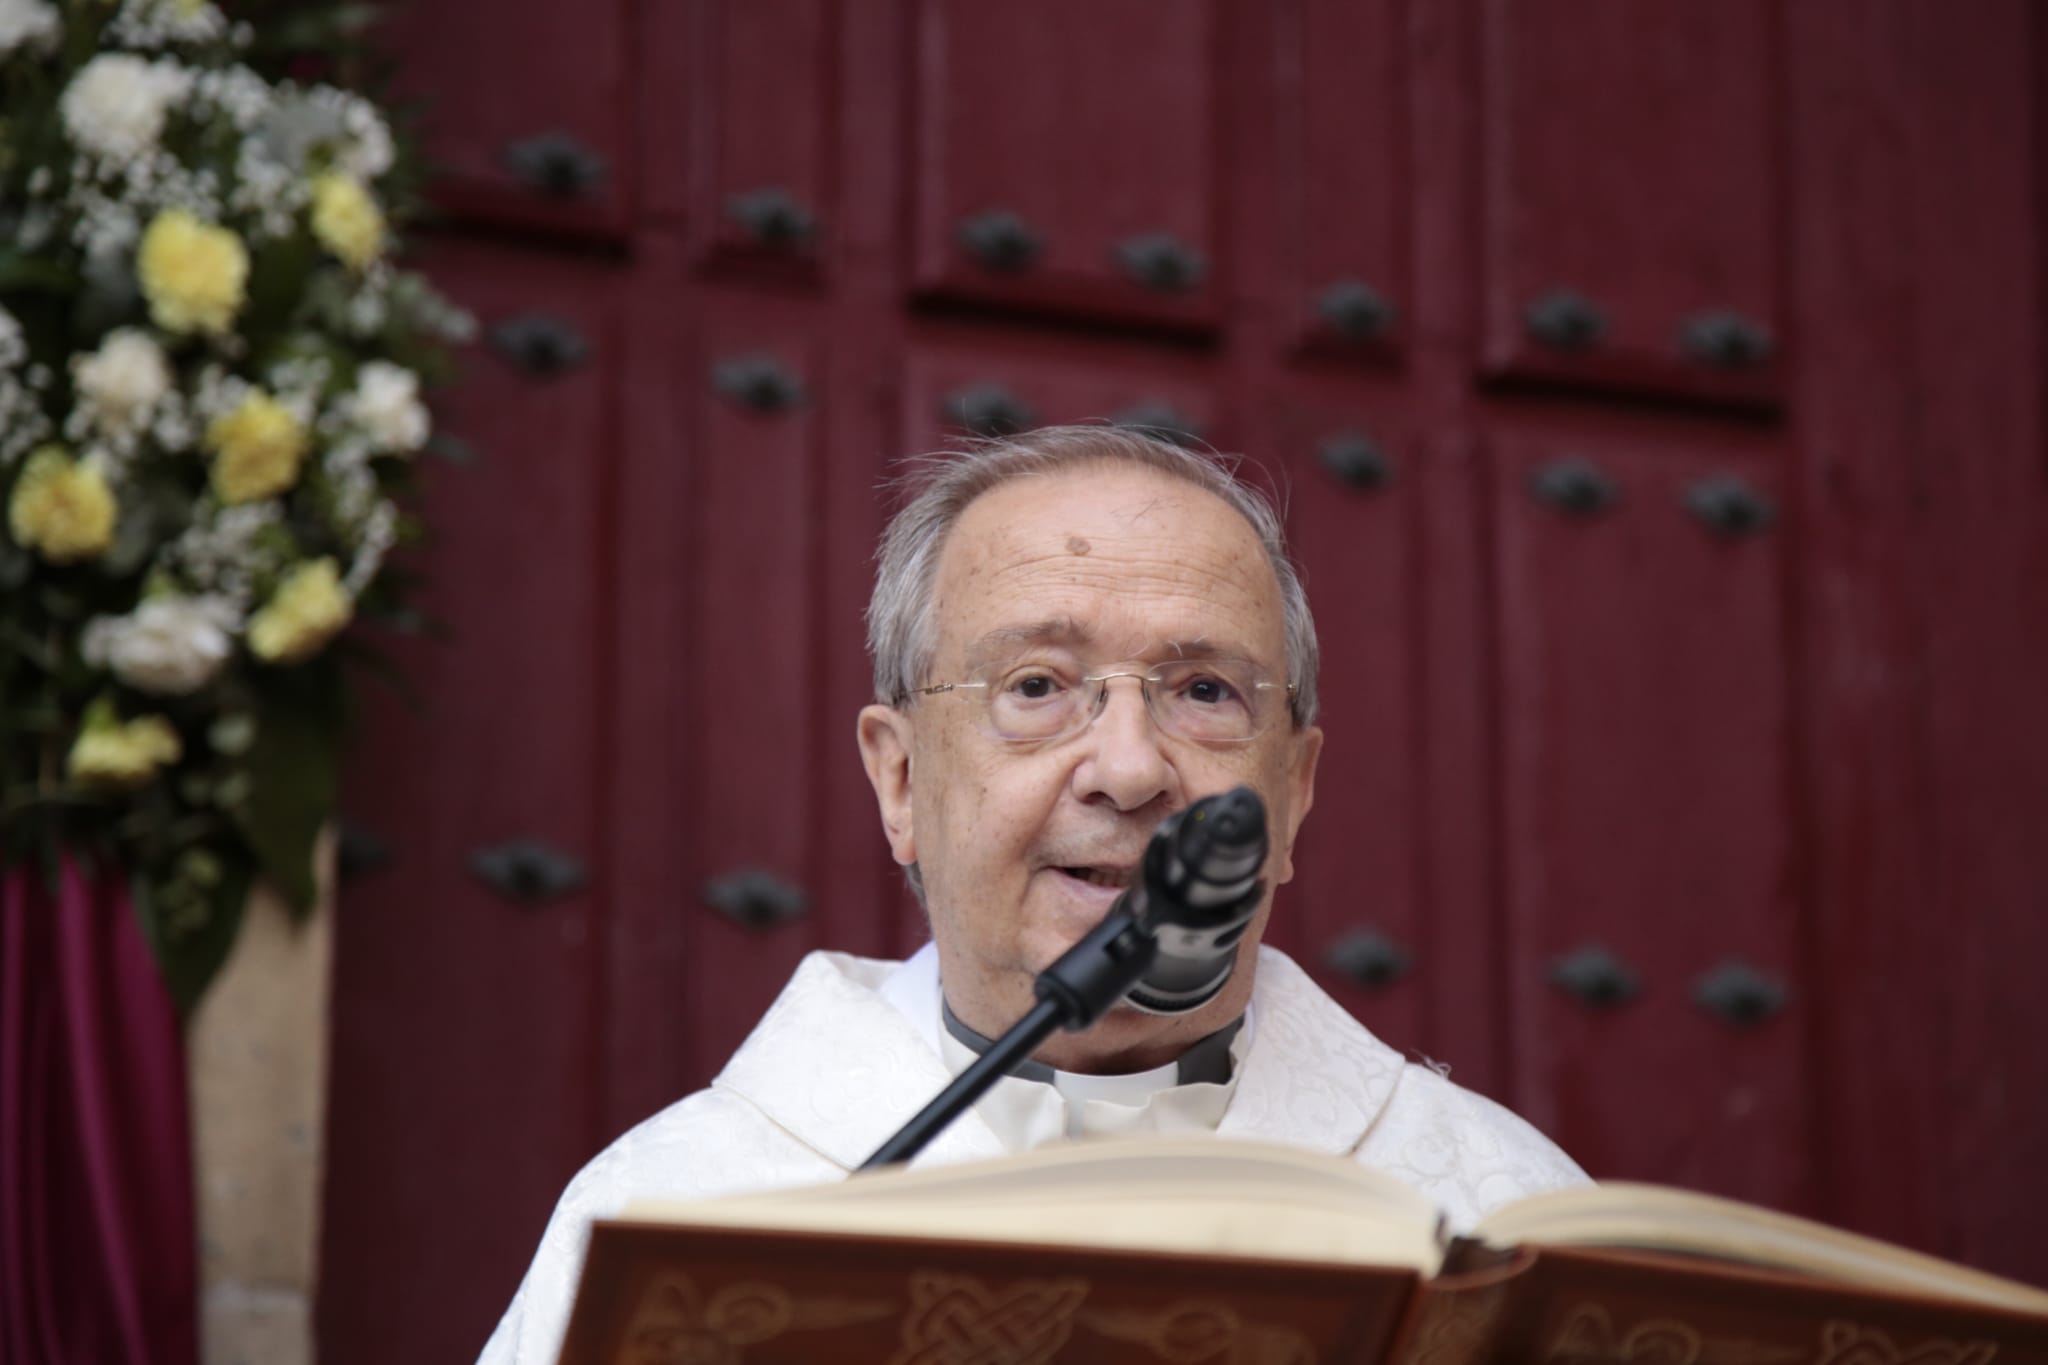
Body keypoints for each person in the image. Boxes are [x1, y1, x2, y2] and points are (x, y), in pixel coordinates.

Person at [476, 425, 1588, 1365]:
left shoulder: (1502, 1216)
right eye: (1036, 687)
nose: (1128, 768)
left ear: (1291, 794)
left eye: (1202, 691)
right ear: (900, 779)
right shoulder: (685, 1215)